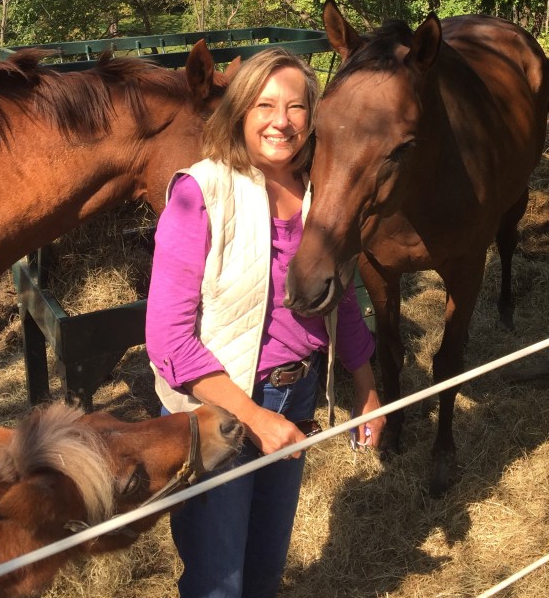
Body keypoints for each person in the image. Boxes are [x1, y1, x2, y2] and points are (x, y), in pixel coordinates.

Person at [145, 46, 384, 598]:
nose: (282, 121)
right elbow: (168, 340)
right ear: (240, 112)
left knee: (263, 573)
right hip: (216, 411)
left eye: (296, 106)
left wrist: (366, 384)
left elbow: (340, 298)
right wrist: (254, 417)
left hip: (295, 398)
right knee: (218, 581)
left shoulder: (322, 194)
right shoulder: (200, 192)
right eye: (265, 105)